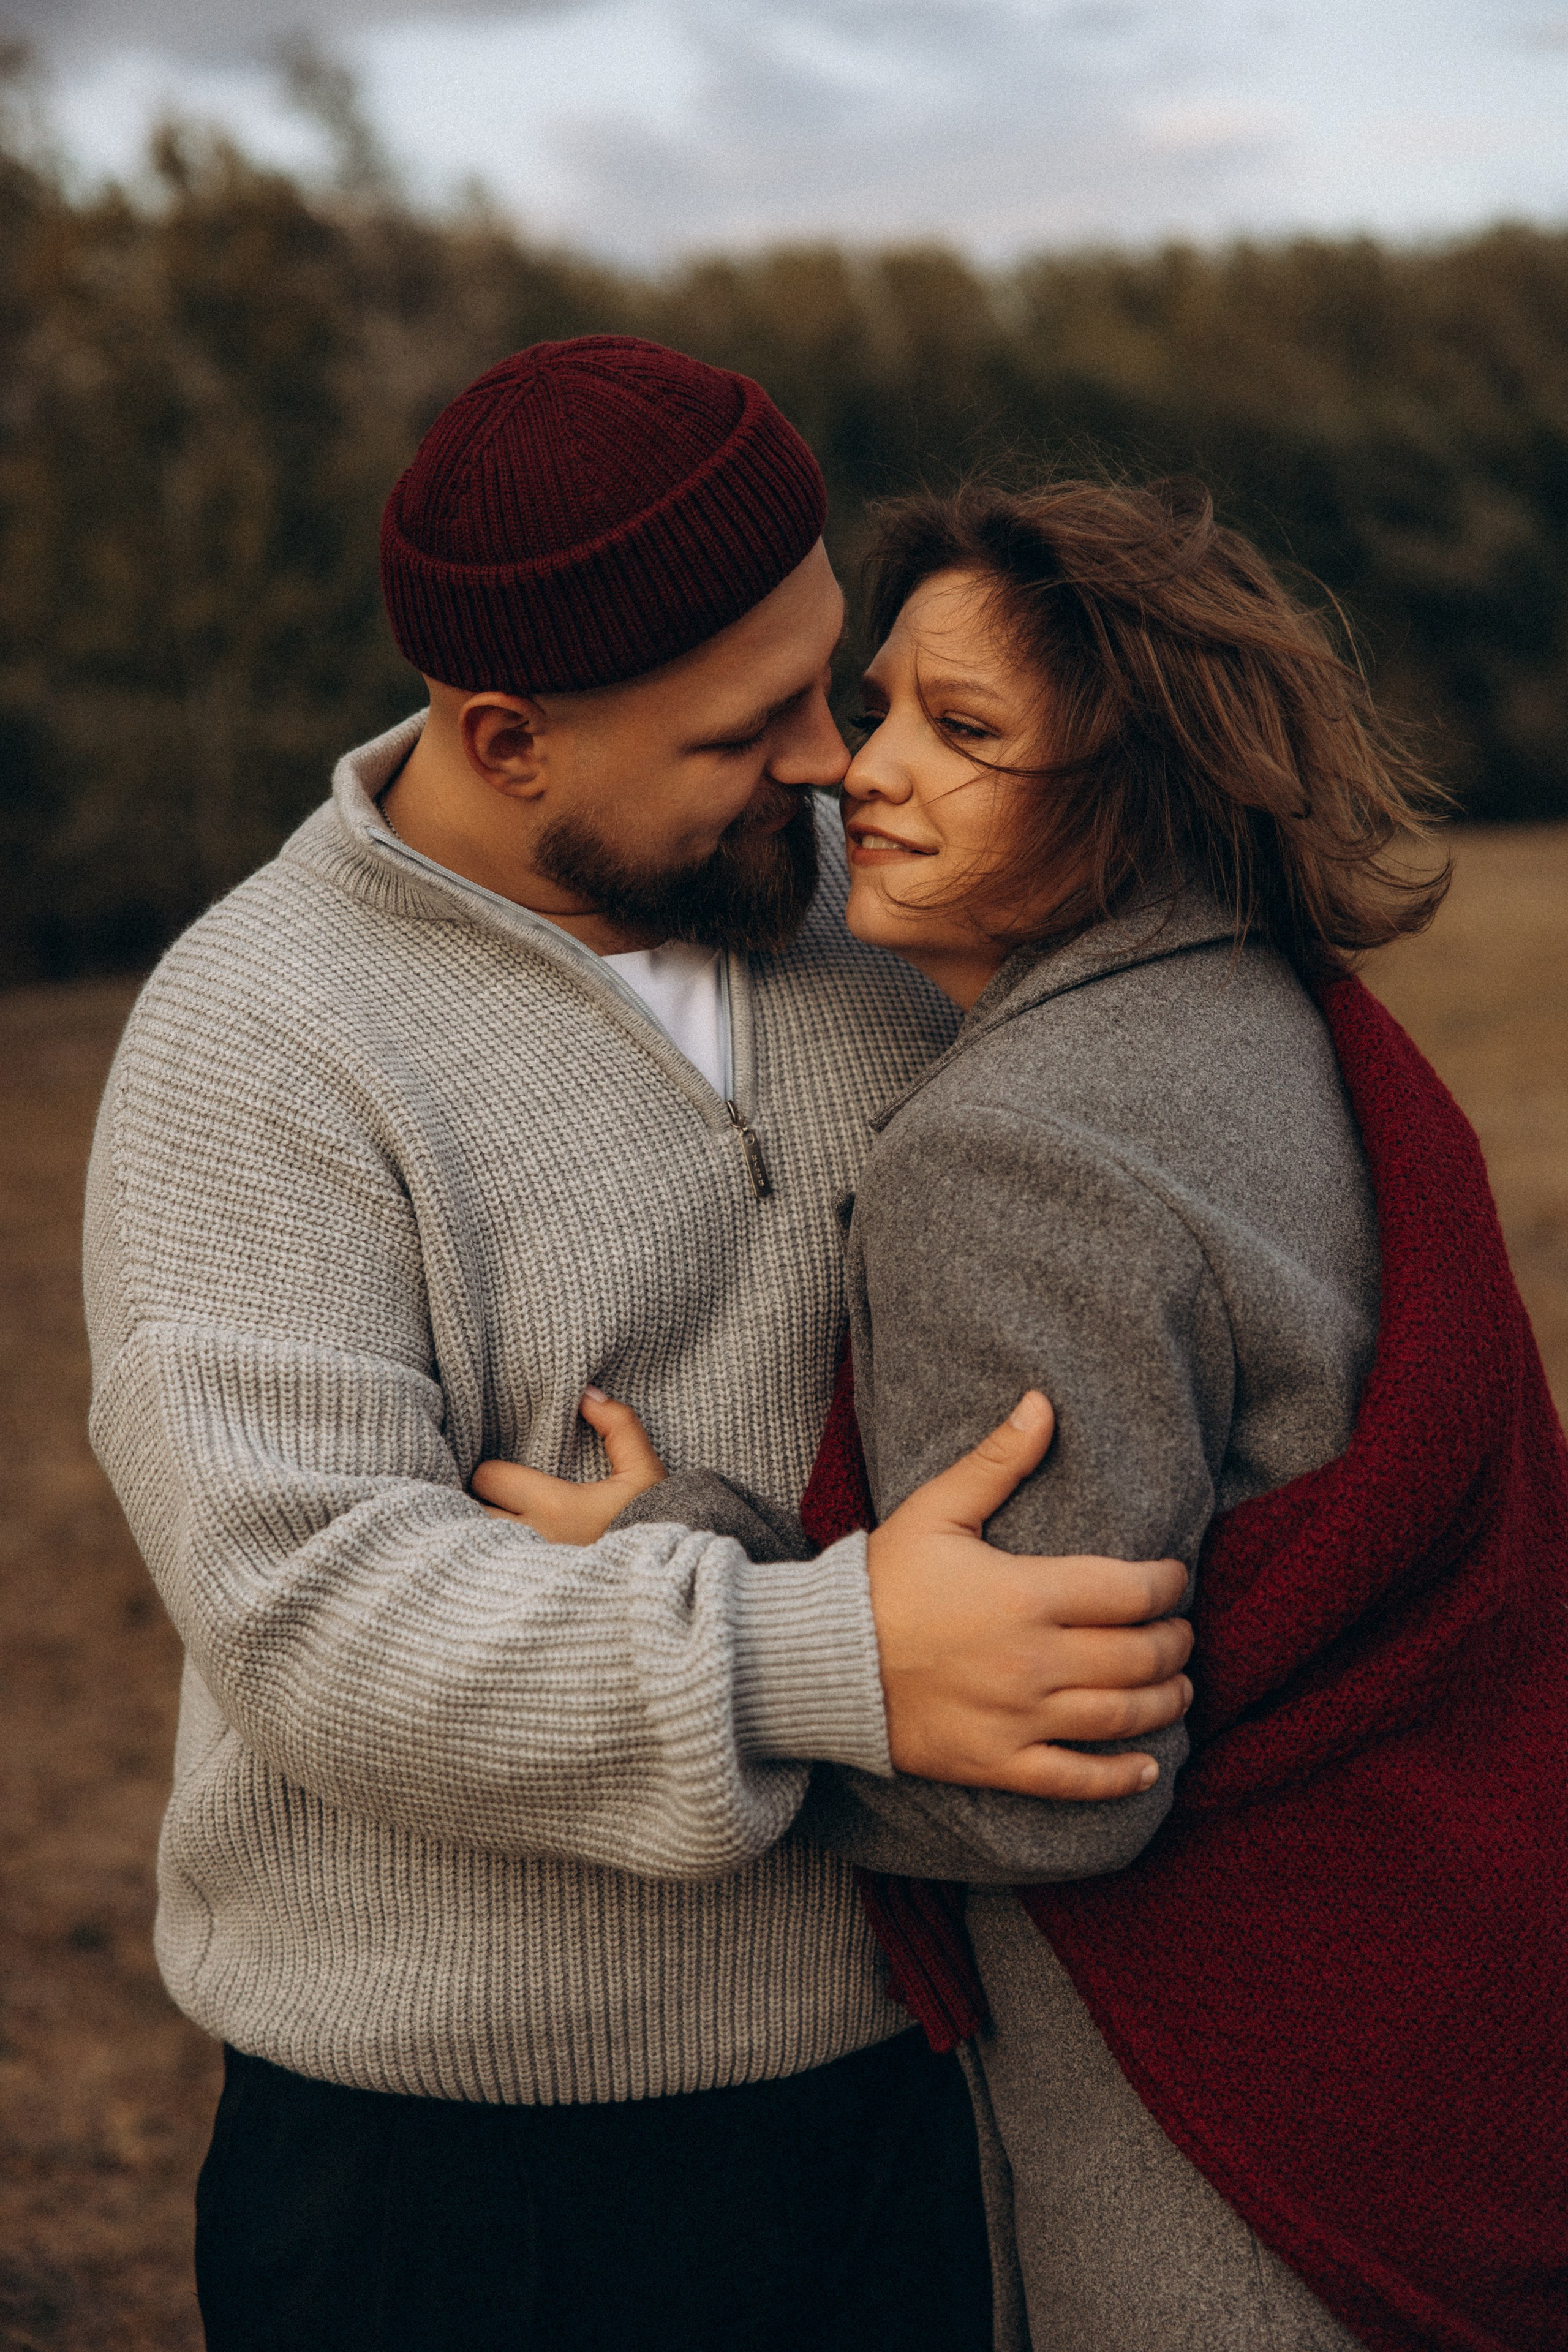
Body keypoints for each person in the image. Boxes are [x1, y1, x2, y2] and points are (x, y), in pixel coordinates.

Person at [83, 344, 1199, 2352]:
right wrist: (828, 1656)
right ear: (507, 737)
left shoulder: (903, 911)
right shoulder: (255, 1036)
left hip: (929, 2079)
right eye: (742, 728)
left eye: (831, 681)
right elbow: (313, 1609)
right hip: (464, 2181)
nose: (828, 763)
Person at [486, 478, 1568, 2352]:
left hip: (1219, 2137)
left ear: (1139, 787)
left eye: (963, 733)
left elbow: (1055, 1783)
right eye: (886, 705)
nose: (863, 773)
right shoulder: (1276, 1015)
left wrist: (696, 1577)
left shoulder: (1007, 1157)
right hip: (1445, 2002)